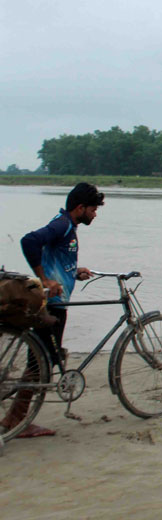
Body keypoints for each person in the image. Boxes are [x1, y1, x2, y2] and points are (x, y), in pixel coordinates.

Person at [1, 183, 104, 438]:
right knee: (40, 362)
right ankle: (17, 420)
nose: (95, 214)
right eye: (93, 209)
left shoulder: (66, 226)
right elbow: (30, 241)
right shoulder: (62, 225)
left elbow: (56, 257)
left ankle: (17, 418)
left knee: (43, 359)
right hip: (53, 305)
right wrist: (44, 279)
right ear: (80, 208)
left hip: (56, 302)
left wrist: (74, 271)